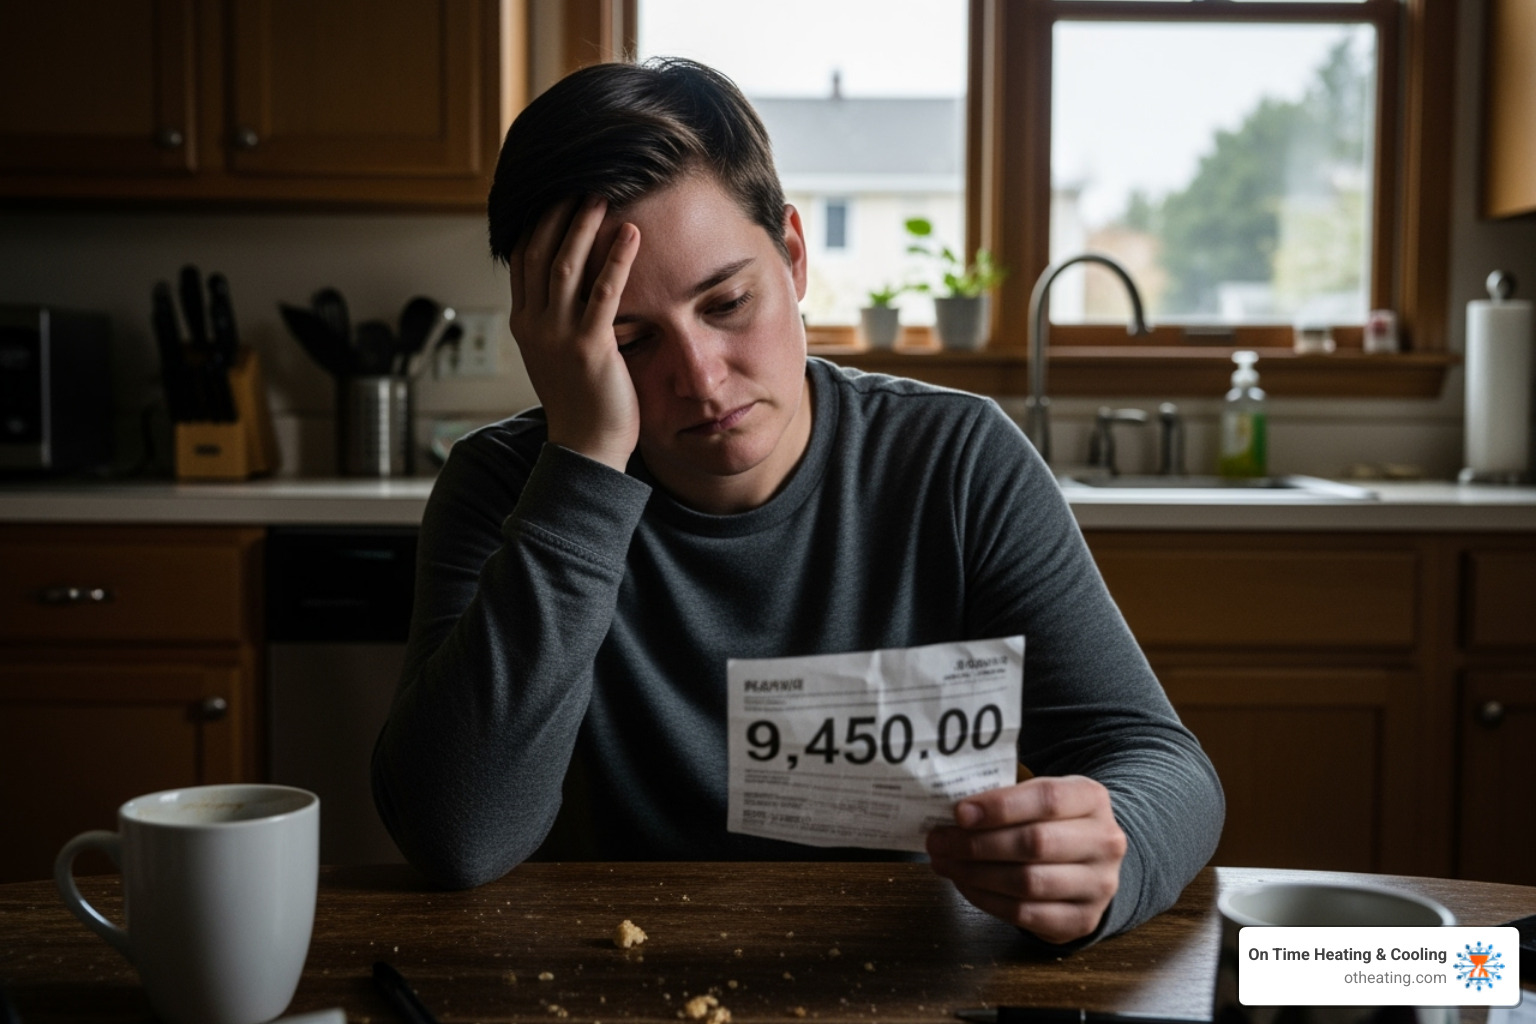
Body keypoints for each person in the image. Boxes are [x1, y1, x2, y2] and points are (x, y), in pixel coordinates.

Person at [372, 57, 1223, 948]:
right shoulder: (507, 488)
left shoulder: (955, 460)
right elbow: (458, 839)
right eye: (629, 340)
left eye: (728, 302)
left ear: (793, 253)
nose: (701, 379)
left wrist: (1109, 857)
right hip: (602, 975)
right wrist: (584, 461)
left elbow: (1162, 764)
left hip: (900, 972)